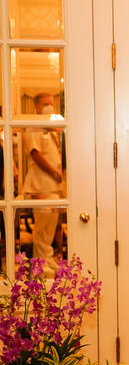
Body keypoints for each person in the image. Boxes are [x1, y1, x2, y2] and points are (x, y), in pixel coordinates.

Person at [23, 93, 64, 276]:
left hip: (53, 186)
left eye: (51, 104)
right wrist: (54, 172)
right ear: (37, 107)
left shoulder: (51, 126)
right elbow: (35, 153)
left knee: (51, 225)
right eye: (45, 104)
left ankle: (47, 257)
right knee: (41, 226)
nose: (49, 106)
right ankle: (38, 264)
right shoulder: (33, 126)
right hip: (40, 185)